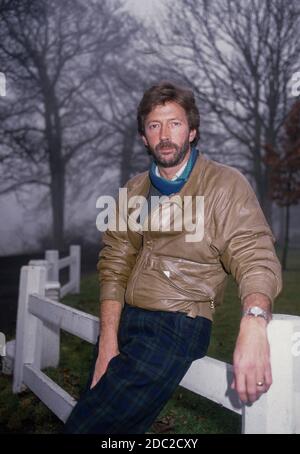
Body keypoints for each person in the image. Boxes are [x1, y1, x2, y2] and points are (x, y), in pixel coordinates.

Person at [64, 81, 282, 434]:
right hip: (127, 321)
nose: (165, 134)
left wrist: (255, 319)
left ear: (193, 131)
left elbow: (254, 251)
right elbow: (115, 262)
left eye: (175, 123)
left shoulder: (225, 185)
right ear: (143, 137)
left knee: (88, 428)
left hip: (177, 322)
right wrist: (108, 342)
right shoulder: (135, 190)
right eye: (154, 125)